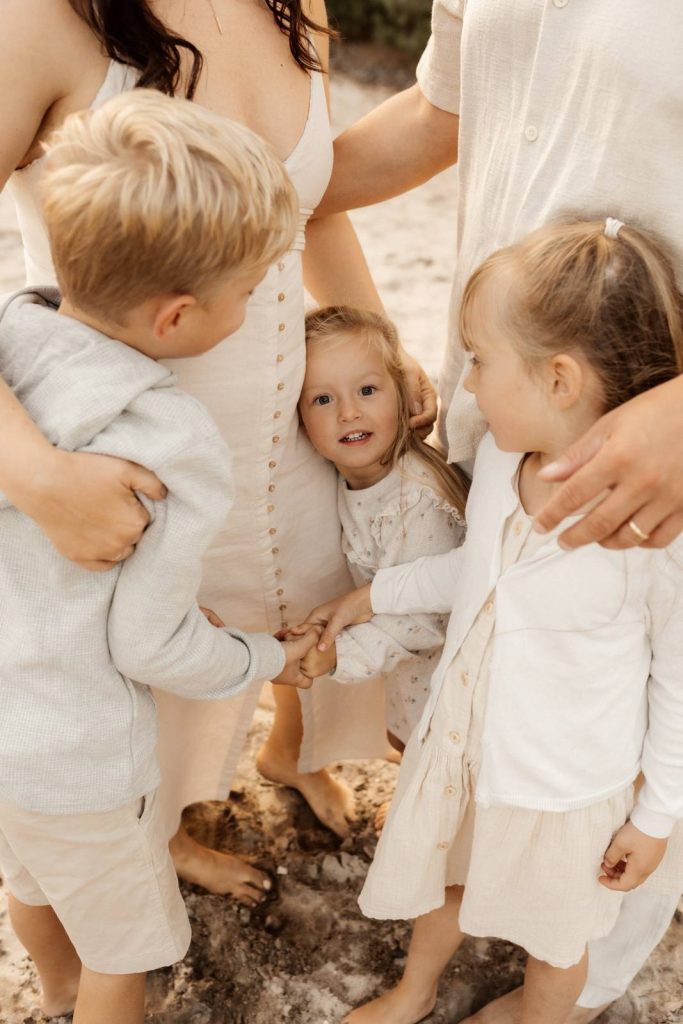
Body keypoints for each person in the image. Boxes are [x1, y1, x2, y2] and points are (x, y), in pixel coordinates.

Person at [0, 0, 436, 901]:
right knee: (149, 651)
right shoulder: (36, 18)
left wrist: (381, 347)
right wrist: (38, 476)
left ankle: (290, 753)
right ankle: (154, 836)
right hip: (132, 458)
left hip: (296, 420)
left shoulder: (291, 3)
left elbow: (305, 205)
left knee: (312, 589)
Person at [317, 3, 683, 1017]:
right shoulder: (502, 476)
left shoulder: (648, 553)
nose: (456, 383)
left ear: (557, 377)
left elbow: (672, 689)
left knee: (569, 927)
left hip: (578, 776)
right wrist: (277, 189)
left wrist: (654, 813)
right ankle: (420, 985)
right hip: (482, 738)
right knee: (452, 869)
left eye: (470, 368)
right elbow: (447, 107)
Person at [0, 90, 324, 1024]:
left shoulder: (13, 333)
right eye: (251, 291)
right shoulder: (172, 440)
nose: (259, 304)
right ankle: (85, 1000)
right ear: (179, 318)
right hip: (80, 759)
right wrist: (264, 659)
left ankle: (54, 998)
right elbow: (150, 645)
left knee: (33, 883)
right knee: (130, 953)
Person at [297, 306, 466, 764]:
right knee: (405, 741)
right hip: (410, 674)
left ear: (403, 396)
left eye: (368, 390)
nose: (349, 413)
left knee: (432, 754)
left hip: (448, 681)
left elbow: (429, 619)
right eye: (323, 400)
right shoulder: (348, 479)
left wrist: (338, 657)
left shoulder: (414, 503)